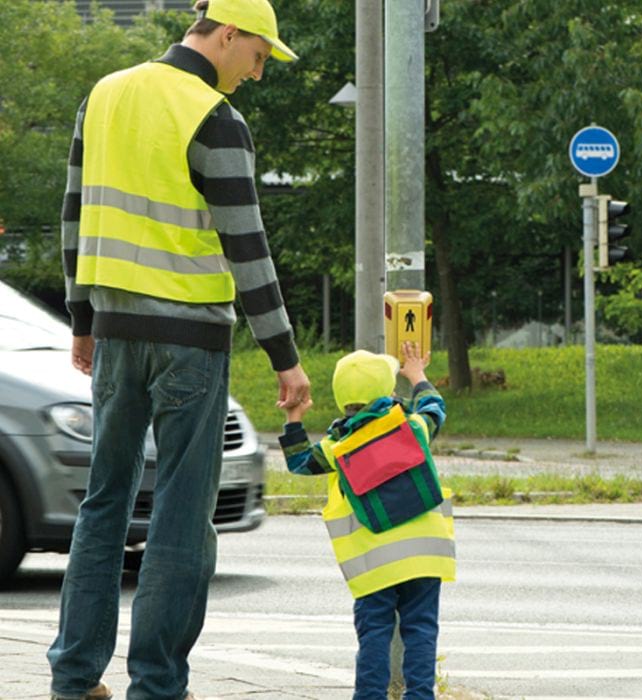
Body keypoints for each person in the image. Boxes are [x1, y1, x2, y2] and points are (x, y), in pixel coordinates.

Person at [47, 1, 310, 698]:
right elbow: (246, 248)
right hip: (189, 339)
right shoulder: (213, 116)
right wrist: (285, 357)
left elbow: (73, 214)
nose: (256, 73)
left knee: (104, 502)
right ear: (226, 34)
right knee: (182, 515)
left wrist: (82, 319)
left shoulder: (104, 94)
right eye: (257, 55)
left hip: (114, 330)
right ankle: (157, 684)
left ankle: (73, 676)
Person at [278, 341, 456, 700]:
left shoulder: (338, 448)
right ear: (388, 391)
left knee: (374, 631)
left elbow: (299, 461)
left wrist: (294, 418)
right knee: (421, 628)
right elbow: (435, 408)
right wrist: (418, 376)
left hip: (373, 564)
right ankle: (420, 696)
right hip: (425, 555)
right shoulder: (413, 429)